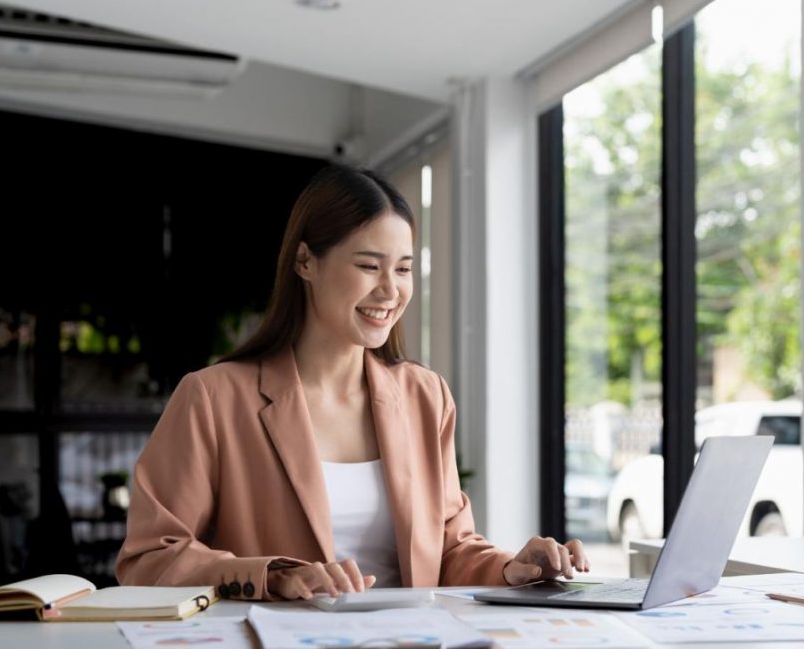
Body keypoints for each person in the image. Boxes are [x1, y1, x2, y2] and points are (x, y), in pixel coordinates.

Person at [115, 161, 589, 601]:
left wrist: (511, 568)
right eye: (368, 266)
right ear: (305, 262)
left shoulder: (426, 396)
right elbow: (149, 559)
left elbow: (449, 550)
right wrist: (275, 576)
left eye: (403, 268)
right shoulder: (214, 397)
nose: (390, 290)